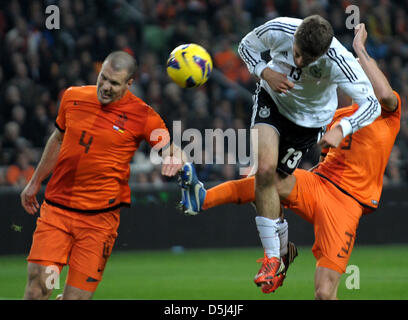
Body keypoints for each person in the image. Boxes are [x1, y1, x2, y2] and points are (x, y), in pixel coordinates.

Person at [179, 23, 401, 299]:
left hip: (348, 205)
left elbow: (383, 96)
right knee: (264, 178)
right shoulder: (334, 115)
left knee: (324, 293)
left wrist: (360, 51)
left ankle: (280, 250)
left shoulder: (388, 113)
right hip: (319, 185)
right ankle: (208, 203)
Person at [21, 51, 185, 300]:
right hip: (57, 212)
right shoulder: (73, 97)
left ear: (129, 84)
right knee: (38, 289)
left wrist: (175, 157)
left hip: (99, 224)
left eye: (114, 83)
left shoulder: (143, 116)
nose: (105, 87)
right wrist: (34, 182)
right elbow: (57, 139)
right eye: (103, 79)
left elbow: (170, 148)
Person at [236, 15, 381, 291]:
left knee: (269, 186)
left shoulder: (339, 60)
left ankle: (282, 252)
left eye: (308, 61)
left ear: (324, 53)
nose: (299, 63)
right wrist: (265, 72)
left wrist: (343, 128)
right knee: (263, 173)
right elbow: (245, 46)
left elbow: (372, 104)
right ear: (295, 38)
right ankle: (273, 259)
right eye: (297, 54)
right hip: (272, 100)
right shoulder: (280, 29)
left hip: (308, 122)